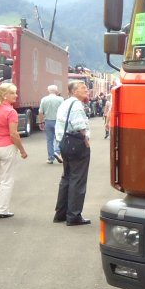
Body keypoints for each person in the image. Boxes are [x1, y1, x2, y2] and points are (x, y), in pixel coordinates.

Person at [0, 83, 28, 218]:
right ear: (5, 95)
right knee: (7, 179)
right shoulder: (10, 112)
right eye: (13, 93)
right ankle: (2, 209)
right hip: (7, 147)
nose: (16, 95)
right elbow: (13, 134)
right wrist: (22, 150)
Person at [53, 79, 92, 226]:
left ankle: (61, 213)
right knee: (78, 179)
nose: (86, 90)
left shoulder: (65, 103)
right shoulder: (76, 105)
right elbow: (78, 124)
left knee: (67, 178)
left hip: (64, 142)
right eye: (83, 88)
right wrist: (86, 140)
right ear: (74, 91)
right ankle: (74, 215)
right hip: (76, 143)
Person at [37, 84, 64, 164]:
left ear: (48, 91)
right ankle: (57, 151)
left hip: (48, 121)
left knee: (49, 140)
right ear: (56, 91)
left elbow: (41, 112)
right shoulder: (61, 99)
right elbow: (64, 111)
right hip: (58, 121)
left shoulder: (44, 99)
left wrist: (41, 122)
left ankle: (50, 158)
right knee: (59, 138)